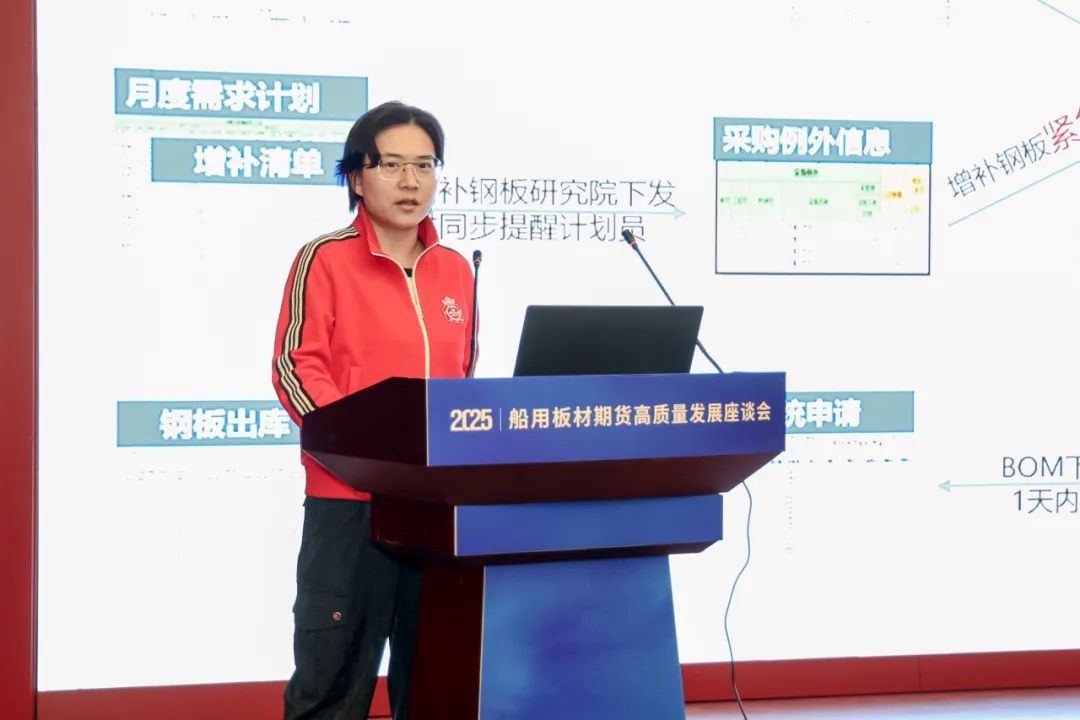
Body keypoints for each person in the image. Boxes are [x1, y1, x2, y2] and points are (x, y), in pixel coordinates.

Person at [271, 101, 476, 719]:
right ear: (357, 178)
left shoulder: (456, 271)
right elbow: (296, 368)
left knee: (439, 685)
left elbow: (461, 380)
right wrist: (365, 454)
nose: (411, 181)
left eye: (424, 165)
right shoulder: (324, 259)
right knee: (332, 685)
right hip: (350, 505)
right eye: (392, 165)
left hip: (434, 510)